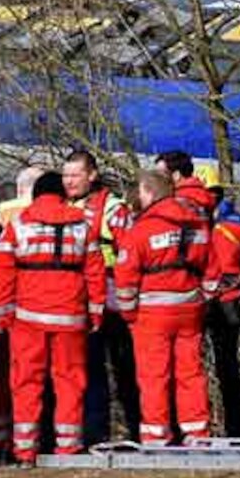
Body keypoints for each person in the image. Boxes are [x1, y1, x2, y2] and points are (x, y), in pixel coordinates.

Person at [0, 172, 106, 467]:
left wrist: (4, 315)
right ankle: (68, 449)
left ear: (35, 195)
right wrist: (95, 312)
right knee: (70, 382)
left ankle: (25, 451)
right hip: (71, 317)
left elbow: (2, 274)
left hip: (27, 319)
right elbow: (95, 274)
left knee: (26, 383)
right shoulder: (83, 226)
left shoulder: (18, 226)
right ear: (63, 194)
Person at [114, 171, 213, 445]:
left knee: (154, 374)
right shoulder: (198, 224)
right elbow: (213, 268)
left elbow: (125, 277)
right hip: (190, 308)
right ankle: (197, 432)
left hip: (152, 312)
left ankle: (157, 433)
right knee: (191, 372)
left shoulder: (142, 229)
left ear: (148, 192)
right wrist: (203, 298)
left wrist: (129, 315)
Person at [63, 150, 139, 446]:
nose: (68, 181)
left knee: (126, 372)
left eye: (75, 175)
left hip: (114, 302)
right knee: (88, 372)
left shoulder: (113, 208)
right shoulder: (61, 206)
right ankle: (95, 434)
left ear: (91, 175)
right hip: (80, 302)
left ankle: (138, 429)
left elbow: (131, 253)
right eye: (66, 175)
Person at [205, 184, 240, 438]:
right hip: (230, 301)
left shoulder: (188, 219)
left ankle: (197, 428)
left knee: (190, 369)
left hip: (197, 300)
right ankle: (235, 430)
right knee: (228, 369)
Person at [154, 152, 219, 219]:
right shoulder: (201, 194)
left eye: (160, 174)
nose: (155, 178)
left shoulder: (176, 201)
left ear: (176, 175)